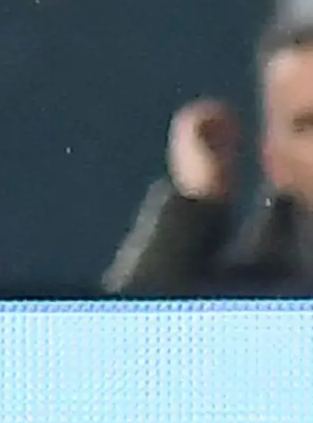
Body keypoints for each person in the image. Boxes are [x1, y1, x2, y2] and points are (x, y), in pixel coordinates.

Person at [105, 19, 313, 293]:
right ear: (273, 161)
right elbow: (133, 330)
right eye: (309, 125)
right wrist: (193, 208)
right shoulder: (251, 307)